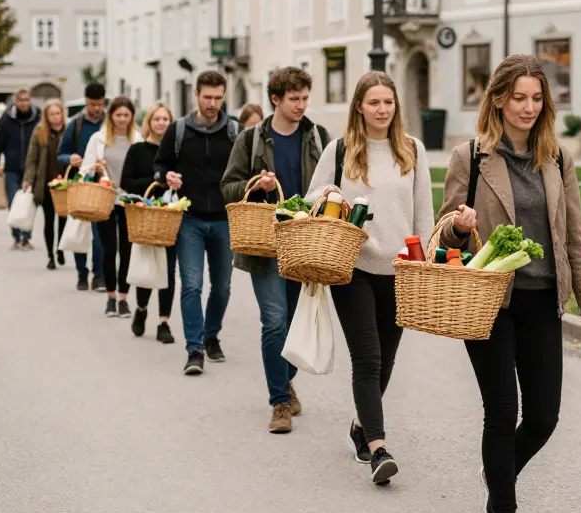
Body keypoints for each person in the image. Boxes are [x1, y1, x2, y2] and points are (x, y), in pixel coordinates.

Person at [438, 55, 581, 513]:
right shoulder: (470, 157)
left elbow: (574, 236)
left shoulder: (557, 157)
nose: (528, 107)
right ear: (497, 100)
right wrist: (458, 225)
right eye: (518, 98)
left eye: (536, 98)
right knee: (500, 413)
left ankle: (498, 472)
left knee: (542, 418)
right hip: (488, 301)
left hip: (542, 301)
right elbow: (444, 231)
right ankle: (502, 506)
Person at [305, 71, 432, 483]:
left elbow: (423, 211)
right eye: (374, 102)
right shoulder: (340, 150)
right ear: (359, 106)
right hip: (352, 265)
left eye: (388, 103)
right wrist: (332, 199)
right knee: (368, 356)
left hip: (399, 268)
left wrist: (425, 260)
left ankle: (361, 423)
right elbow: (312, 198)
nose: (382, 109)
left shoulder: (412, 150)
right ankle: (378, 448)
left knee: (387, 361)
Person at [221, 66, 331, 425]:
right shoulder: (251, 139)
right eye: (294, 99)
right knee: (274, 321)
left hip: (304, 242)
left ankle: (286, 381)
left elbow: (334, 182)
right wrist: (256, 184)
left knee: (295, 323)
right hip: (264, 243)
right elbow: (229, 187)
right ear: (275, 99)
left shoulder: (318, 137)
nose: (301, 105)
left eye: (304, 98)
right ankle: (280, 402)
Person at [156, 70, 239, 376]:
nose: (213, 103)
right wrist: (165, 176)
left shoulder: (233, 131)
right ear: (196, 95)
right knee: (191, 285)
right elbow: (160, 164)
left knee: (223, 287)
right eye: (208, 97)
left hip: (223, 220)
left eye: (218, 98)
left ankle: (211, 334)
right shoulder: (178, 130)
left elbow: (244, 170)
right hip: (188, 219)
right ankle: (195, 348)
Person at [80, 96, 143, 318]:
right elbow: (84, 170)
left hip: (129, 200)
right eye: (119, 115)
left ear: (132, 116)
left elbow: (143, 169)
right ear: (111, 116)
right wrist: (95, 168)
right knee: (109, 250)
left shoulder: (137, 138)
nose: (123, 119)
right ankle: (110, 297)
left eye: (127, 115)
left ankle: (124, 298)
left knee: (127, 251)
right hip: (105, 199)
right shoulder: (99, 139)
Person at [122, 102, 179, 344]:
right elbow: (126, 182)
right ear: (149, 122)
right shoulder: (137, 150)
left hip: (171, 217)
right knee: (147, 267)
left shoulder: (177, 152)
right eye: (157, 119)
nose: (161, 123)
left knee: (168, 269)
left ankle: (163, 322)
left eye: (166, 119)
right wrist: (157, 180)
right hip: (145, 217)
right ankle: (142, 308)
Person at [59, 84, 107, 291]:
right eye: (91, 104)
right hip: (81, 183)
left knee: (99, 233)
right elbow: (60, 154)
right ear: (86, 101)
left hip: (103, 184)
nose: (96, 109)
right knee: (80, 229)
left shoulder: (109, 123)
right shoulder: (76, 124)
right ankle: (81, 273)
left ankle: (99, 275)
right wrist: (70, 158)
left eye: (99, 104)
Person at [0, 88, 41, 250]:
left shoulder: (38, 118)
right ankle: (16, 235)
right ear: (16, 102)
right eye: (21, 101)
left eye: (27, 100)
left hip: (32, 168)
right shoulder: (6, 119)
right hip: (12, 167)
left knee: (28, 204)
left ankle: (25, 237)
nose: (24, 103)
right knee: (13, 202)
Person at [22, 100, 68, 270]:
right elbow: (32, 158)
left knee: (63, 219)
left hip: (65, 184)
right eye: (52, 114)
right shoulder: (40, 133)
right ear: (46, 117)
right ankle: (50, 255)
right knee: (49, 221)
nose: (56, 117)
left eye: (58, 113)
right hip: (46, 183)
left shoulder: (68, 130)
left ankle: (60, 249)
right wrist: (28, 178)